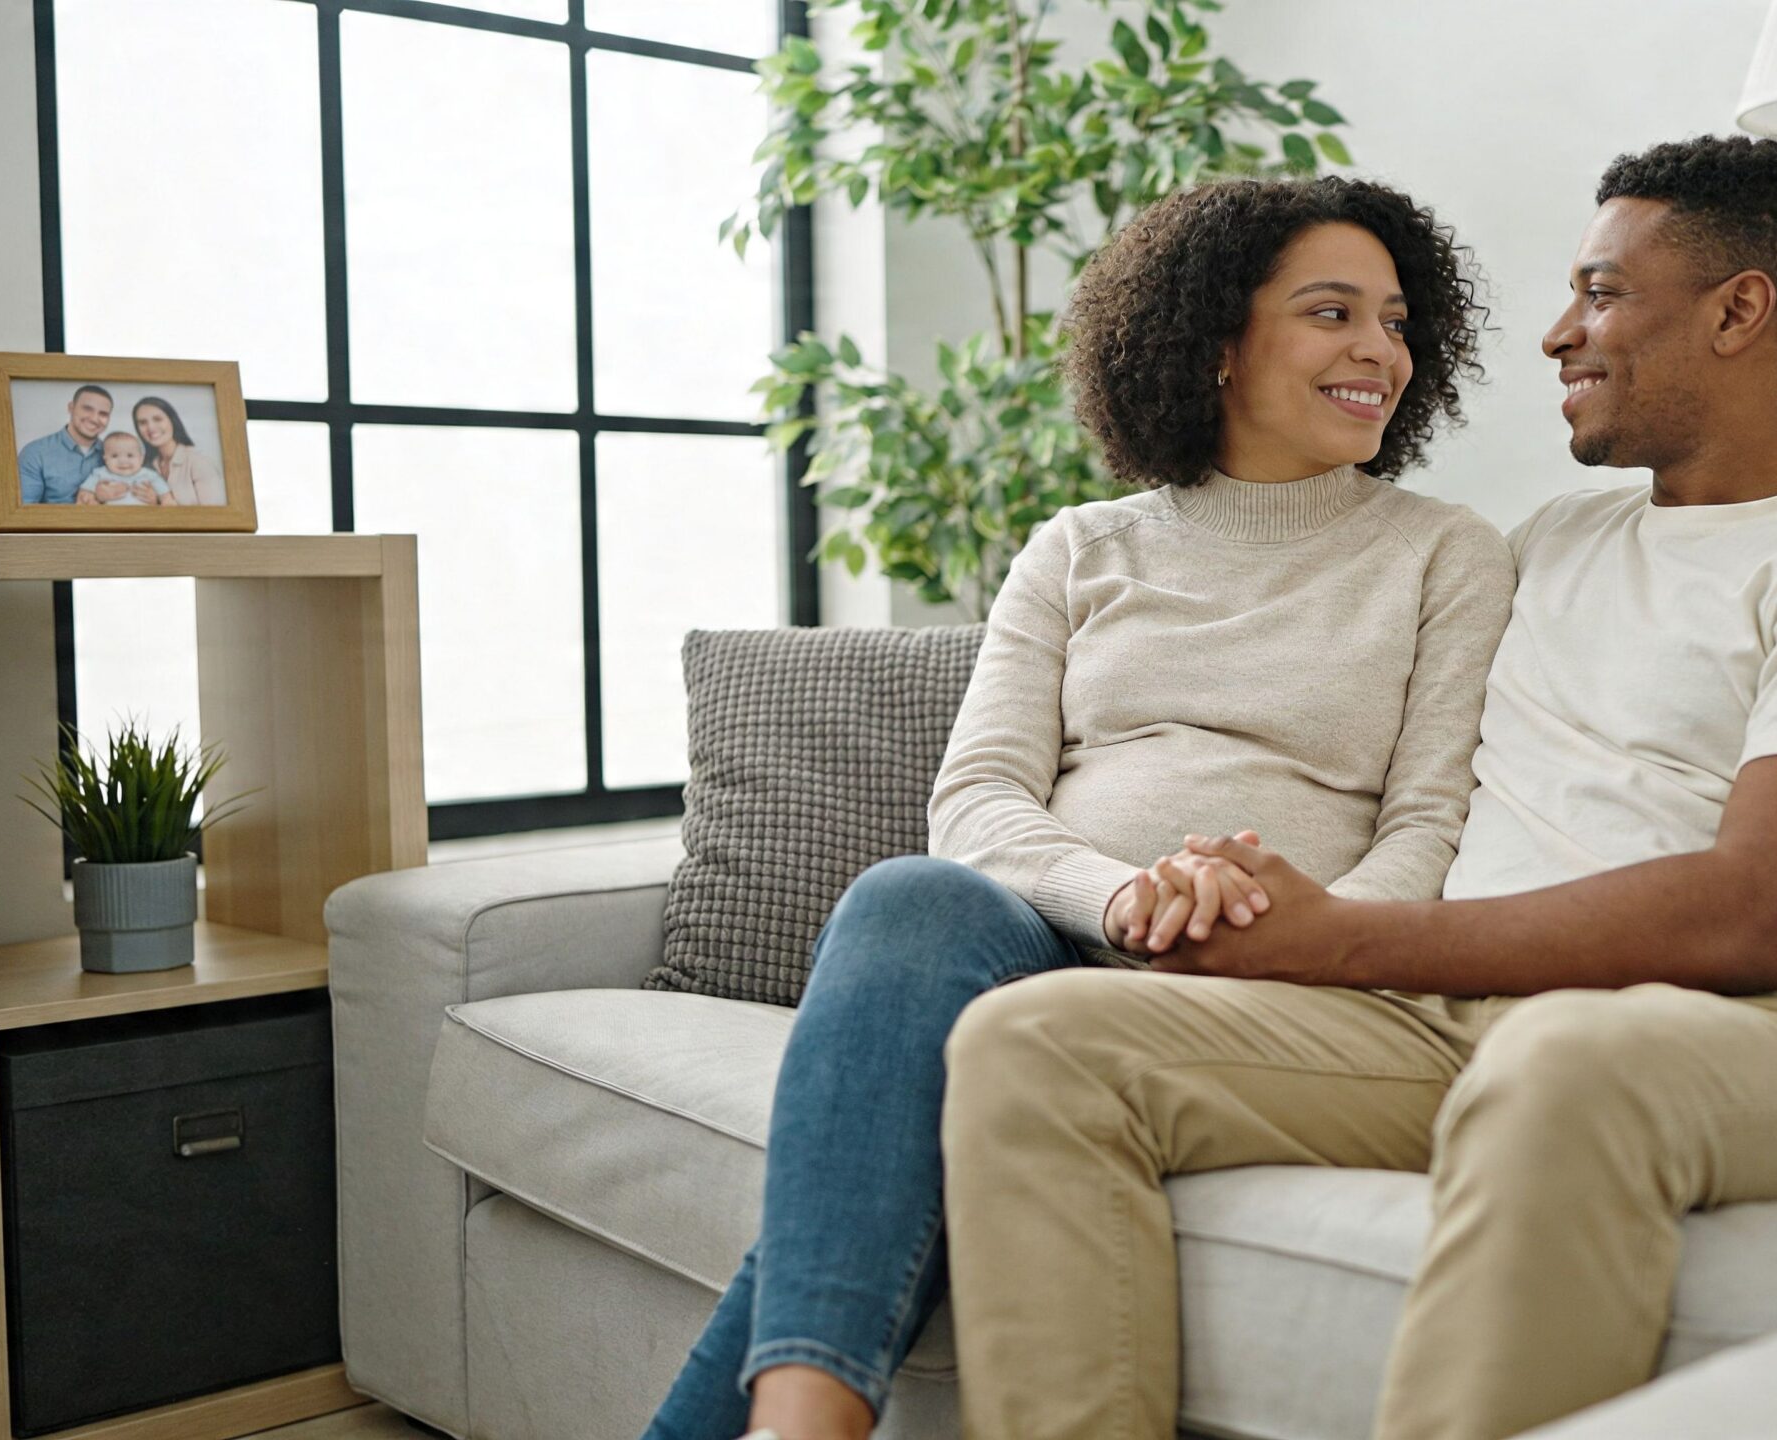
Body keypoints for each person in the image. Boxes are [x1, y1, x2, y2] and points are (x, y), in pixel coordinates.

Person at [935, 134, 1777, 1440]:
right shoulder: (1550, 545)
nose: (1558, 334)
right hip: (1453, 1028)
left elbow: (1753, 917)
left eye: (1603, 292)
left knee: (1563, 1055)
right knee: (1033, 1042)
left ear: (1740, 311)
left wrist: (1342, 939)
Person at [640, 175, 1515, 1440]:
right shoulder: (1078, 546)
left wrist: (1302, 931)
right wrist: (1124, 894)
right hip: (1045, 931)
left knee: (899, 1124)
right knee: (910, 895)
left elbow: (1433, 826)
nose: (1377, 349)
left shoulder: (1445, 552)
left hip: (1277, 971)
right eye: (1332, 313)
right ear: (1215, 342)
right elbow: (978, 800)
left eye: (1394, 320)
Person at [17, 384, 113, 505]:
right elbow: (23, 513)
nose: (94, 418)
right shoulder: (35, 453)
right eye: (87, 409)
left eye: (103, 414)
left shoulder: (117, 455)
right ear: (71, 408)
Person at [131, 395, 225, 505]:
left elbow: (214, 516)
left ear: (172, 420)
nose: (150, 427)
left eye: (157, 419)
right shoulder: (144, 467)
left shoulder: (198, 461)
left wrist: (159, 502)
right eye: (142, 423)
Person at [75, 432, 171, 506]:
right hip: (111, 517)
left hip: (144, 517)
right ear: (105, 459)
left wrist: (167, 502)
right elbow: (85, 492)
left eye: (130, 455)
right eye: (115, 456)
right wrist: (90, 500)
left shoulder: (149, 475)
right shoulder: (101, 474)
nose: (123, 461)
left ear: (141, 458)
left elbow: (166, 496)